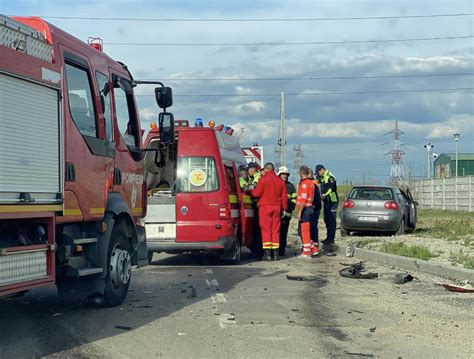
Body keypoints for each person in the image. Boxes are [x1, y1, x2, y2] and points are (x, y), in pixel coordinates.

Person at [251, 162, 288, 261]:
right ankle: (275, 254)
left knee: (266, 229)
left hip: (264, 207)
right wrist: (284, 208)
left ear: (266, 170)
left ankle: (267, 254)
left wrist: (250, 191)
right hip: (277, 207)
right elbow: (284, 197)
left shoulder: (263, 180)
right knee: (275, 230)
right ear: (273, 170)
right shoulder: (280, 181)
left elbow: (256, 193)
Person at [295, 166, 319, 258]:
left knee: (304, 231)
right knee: (307, 231)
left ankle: (307, 252)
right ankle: (313, 248)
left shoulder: (304, 184)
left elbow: (303, 199)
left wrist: (299, 212)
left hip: (305, 209)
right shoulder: (312, 183)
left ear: (300, 173)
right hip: (311, 209)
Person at [315, 164, 338, 252]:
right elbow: (319, 183)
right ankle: (328, 238)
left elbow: (331, 188)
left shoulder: (330, 176)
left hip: (332, 201)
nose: (318, 174)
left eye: (318, 173)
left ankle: (331, 239)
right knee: (326, 219)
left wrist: (325, 194)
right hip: (326, 201)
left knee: (331, 220)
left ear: (322, 170)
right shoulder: (323, 177)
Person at [277, 166, 297, 256]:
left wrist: (291, 206)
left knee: (284, 233)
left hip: (287, 214)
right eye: (283, 174)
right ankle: (275, 250)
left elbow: (294, 198)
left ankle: (282, 250)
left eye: (286, 174)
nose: (285, 176)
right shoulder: (275, 184)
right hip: (277, 213)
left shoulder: (290, 186)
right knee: (276, 232)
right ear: (279, 175)